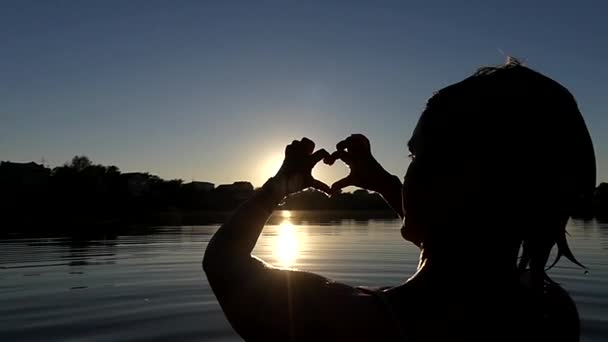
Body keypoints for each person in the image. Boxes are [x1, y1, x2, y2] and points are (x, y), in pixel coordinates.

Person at [203, 59, 596, 341]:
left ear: (453, 176)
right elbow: (455, 230)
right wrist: (383, 182)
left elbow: (223, 264)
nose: (408, 172)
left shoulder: (355, 321)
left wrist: (277, 188)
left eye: (417, 156)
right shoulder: (551, 310)